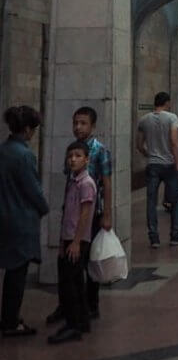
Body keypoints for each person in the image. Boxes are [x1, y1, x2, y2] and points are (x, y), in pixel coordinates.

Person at [46, 106, 112, 328]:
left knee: (88, 260)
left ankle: (90, 305)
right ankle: (66, 306)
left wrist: (107, 215)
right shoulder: (73, 150)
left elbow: (107, 183)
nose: (78, 127)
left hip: (92, 213)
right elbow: (69, 181)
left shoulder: (100, 150)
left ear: (93, 126)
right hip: (73, 212)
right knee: (66, 262)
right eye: (75, 123)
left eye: (83, 123)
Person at [0, 105, 48, 338]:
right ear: (27, 129)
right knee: (16, 275)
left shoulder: (3, 150)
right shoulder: (24, 154)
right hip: (20, 221)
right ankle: (10, 321)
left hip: (4, 217)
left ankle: (8, 317)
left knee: (10, 270)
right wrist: (44, 207)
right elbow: (33, 190)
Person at [48, 140, 98, 344]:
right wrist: (63, 242)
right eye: (70, 156)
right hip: (68, 238)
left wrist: (77, 242)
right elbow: (67, 213)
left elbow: (85, 215)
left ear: (87, 159)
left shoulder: (87, 183)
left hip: (78, 240)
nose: (73, 159)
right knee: (75, 282)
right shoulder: (73, 181)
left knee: (69, 284)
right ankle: (82, 321)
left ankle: (73, 325)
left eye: (78, 156)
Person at [137, 92, 178, 248]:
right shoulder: (172, 118)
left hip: (153, 165)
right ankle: (175, 236)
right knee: (175, 201)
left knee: (151, 202)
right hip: (169, 164)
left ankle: (154, 238)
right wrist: (177, 163)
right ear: (167, 103)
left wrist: (149, 154)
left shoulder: (144, 120)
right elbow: (174, 142)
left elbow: (139, 144)